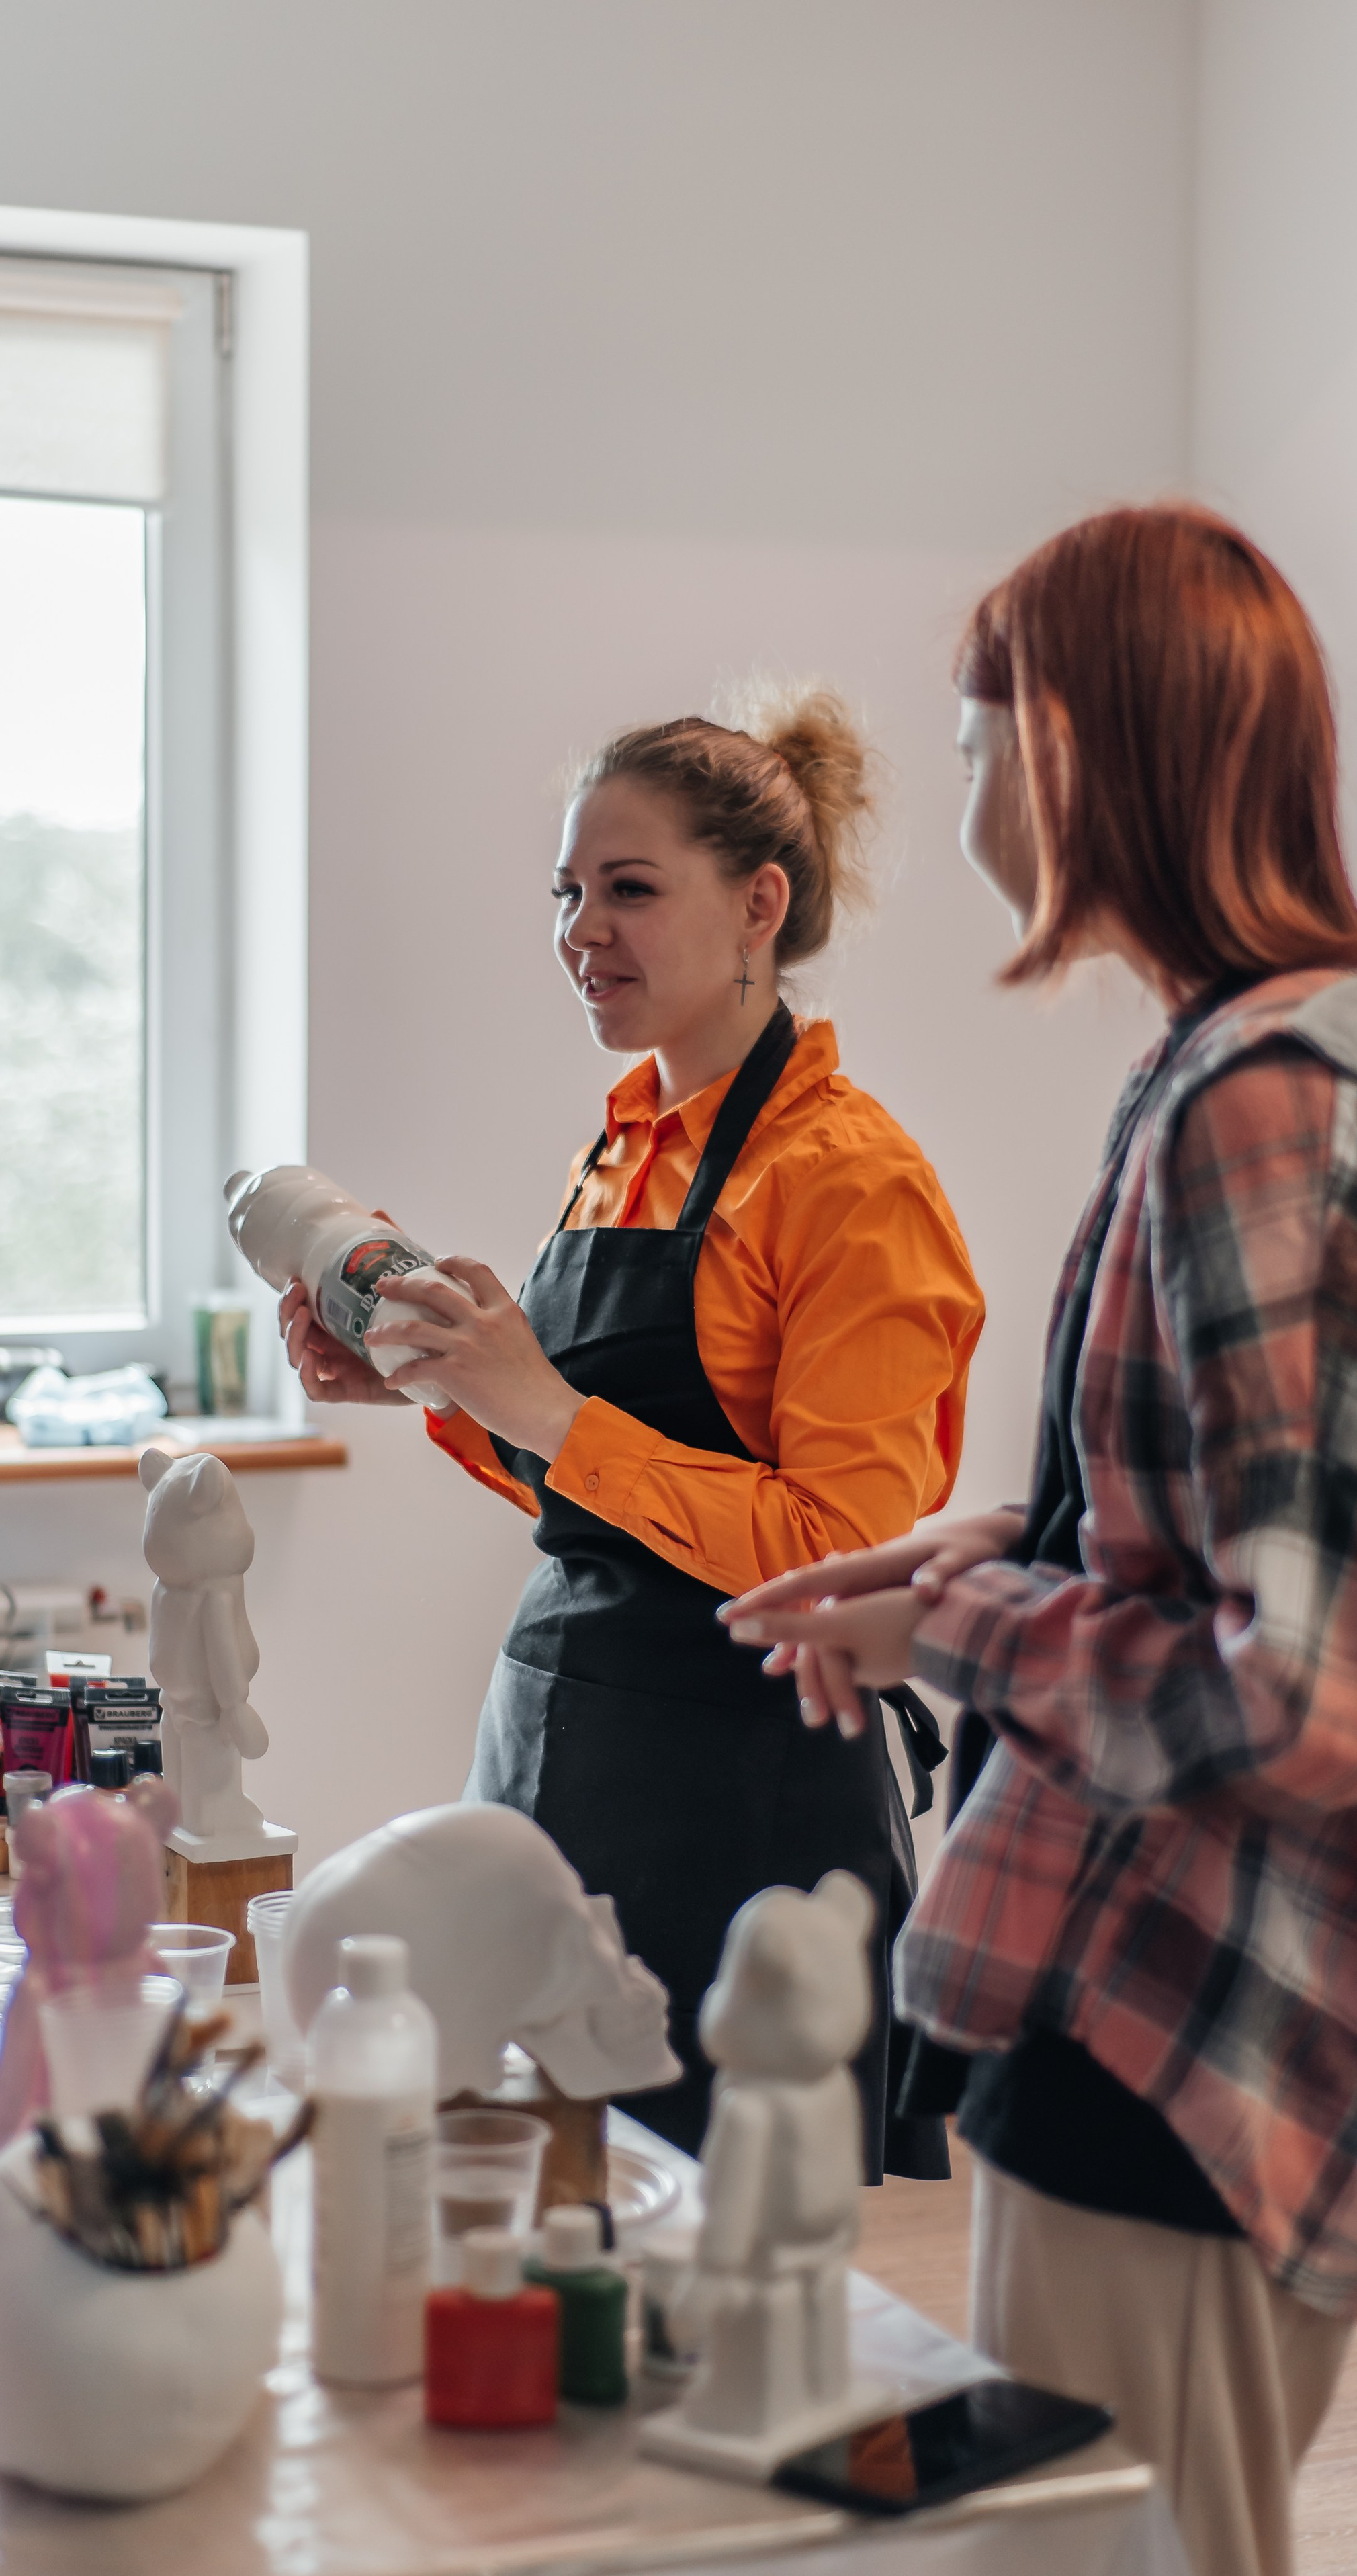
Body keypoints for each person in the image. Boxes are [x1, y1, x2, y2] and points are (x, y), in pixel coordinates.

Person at [722, 507, 1357, 2576]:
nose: (966, 774)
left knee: (1102, 2552)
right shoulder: (1245, 1060)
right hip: (1125, 2017)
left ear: (1082, 748)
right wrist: (976, 1555)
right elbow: (1188, 1526)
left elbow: (1300, 1689)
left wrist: (963, 1625)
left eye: (983, 726)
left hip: (1177, 2038)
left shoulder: (1256, 1097)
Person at [280, 688, 984, 2165]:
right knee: (540, 2218)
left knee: (724, 2270)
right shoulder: (623, 1145)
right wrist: (439, 1388)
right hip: (556, 1752)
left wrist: (537, 1402)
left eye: (628, 889)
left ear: (758, 906)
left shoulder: (852, 1183)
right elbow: (587, 1483)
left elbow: (836, 1555)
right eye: (565, 892)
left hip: (742, 1805)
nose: (578, 930)